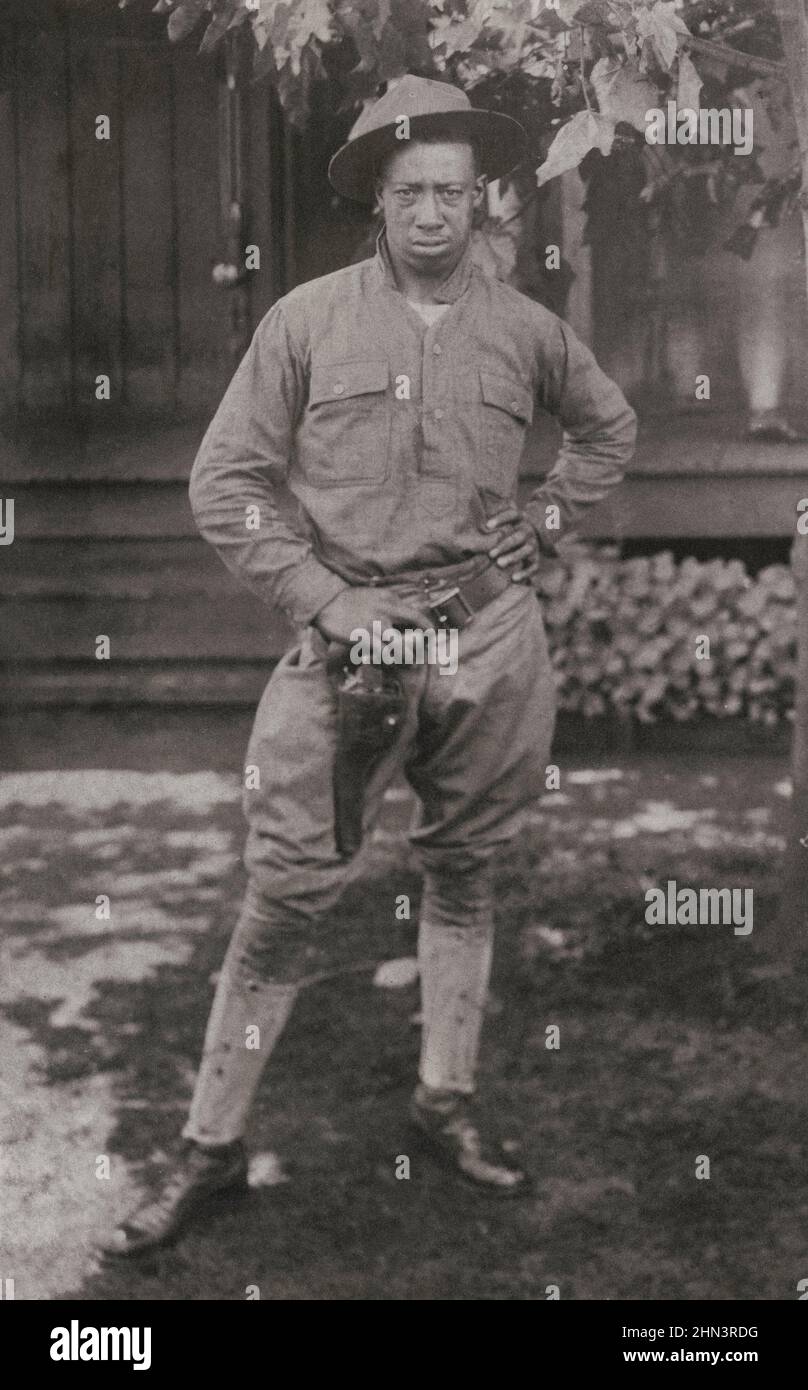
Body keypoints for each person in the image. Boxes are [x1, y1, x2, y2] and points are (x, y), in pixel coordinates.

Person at [99, 75, 636, 1259]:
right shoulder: (303, 322)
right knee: (286, 891)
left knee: (465, 869)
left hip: (488, 639)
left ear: (482, 200)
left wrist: (546, 519)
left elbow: (608, 429)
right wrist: (327, 598)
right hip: (347, 646)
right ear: (379, 204)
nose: (435, 214)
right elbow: (223, 485)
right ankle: (210, 1142)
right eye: (411, 194)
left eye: (453, 192)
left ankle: (443, 1099)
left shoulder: (529, 330)